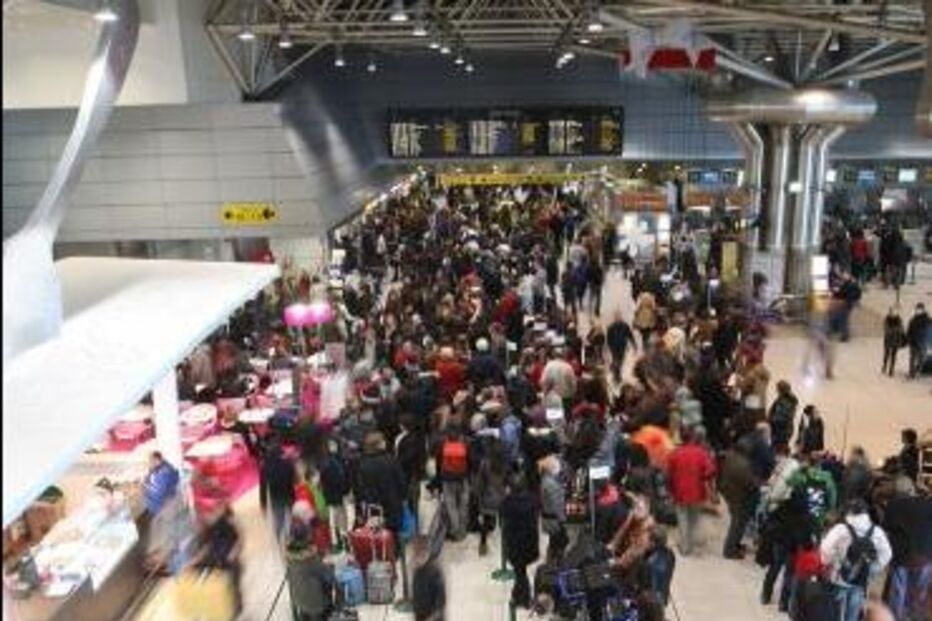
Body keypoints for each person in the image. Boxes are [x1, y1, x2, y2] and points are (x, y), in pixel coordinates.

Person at [820, 498, 892, 621]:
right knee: (854, 609)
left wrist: (829, 562)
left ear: (849, 512)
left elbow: (825, 549)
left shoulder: (840, 529)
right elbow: (887, 553)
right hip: (861, 579)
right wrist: (873, 569)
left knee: (836, 610)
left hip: (840, 576)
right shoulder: (876, 531)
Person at [881, 476, 932, 621]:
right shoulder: (927, 504)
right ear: (912, 489)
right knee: (919, 592)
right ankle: (915, 617)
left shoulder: (892, 505)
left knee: (898, 592)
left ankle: (896, 618)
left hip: (900, 556)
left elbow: (886, 530)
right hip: (924, 555)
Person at [666, 426, 717, 556]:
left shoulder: (674, 454)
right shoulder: (701, 453)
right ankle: (691, 542)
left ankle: (684, 547)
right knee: (693, 519)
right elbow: (711, 471)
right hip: (697, 492)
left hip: (679, 492)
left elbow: (668, 476)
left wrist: (670, 491)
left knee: (682, 519)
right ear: (693, 437)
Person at [191, 504, 244, 615]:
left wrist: (235, 551)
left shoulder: (229, 520)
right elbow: (206, 546)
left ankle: (236, 607)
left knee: (232, 585)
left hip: (229, 559)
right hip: (216, 558)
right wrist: (196, 560)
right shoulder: (206, 526)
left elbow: (240, 537)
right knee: (216, 585)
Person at [354, 431, 407, 536]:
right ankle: (397, 551)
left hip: (373, 507)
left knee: (377, 538)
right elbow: (401, 482)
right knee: (394, 535)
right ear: (379, 444)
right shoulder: (391, 460)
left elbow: (359, 489)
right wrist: (403, 497)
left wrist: (359, 509)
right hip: (393, 505)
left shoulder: (363, 463)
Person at [500, 474, 540, 609]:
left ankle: (525, 598)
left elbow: (502, 517)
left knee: (520, 572)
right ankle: (518, 595)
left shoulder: (507, 503)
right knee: (520, 571)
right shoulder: (533, 499)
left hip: (515, 545)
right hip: (530, 543)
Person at [719, 439, 760, 560]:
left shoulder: (730, 456)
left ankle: (734, 545)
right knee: (737, 525)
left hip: (730, 493)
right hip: (739, 498)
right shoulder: (742, 464)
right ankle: (729, 551)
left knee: (736, 523)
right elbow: (751, 483)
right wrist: (758, 482)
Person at [285, 523, 335, 621]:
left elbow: (288, 577)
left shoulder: (289, 556)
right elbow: (327, 578)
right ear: (306, 537)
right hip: (315, 603)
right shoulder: (311, 559)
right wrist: (330, 568)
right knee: (333, 582)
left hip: (298, 599)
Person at [259, 438, 296, 540]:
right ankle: (293, 537)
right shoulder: (288, 463)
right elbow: (294, 479)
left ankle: (279, 539)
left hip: (275, 497)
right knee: (293, 518)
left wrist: (263, 504)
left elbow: (263, 487)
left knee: (279, 520)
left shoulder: (265, 467)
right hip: (289, 494)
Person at [438, 426, 470, 541]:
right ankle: (463, 530)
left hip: (447, 479)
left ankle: (454, 530)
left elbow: (439, 464)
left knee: (451, 505)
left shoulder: (443, 447)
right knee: (463, 504)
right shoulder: (465, 446)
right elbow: (469, 462)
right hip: (462, 478)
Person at [539, 454, 568, 563]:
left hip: (548, 518)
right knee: (559, 543)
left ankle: (550, 562)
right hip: (554, 521)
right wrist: (564, 520)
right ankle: (555, 564)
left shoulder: (546, 479)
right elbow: (558, 505)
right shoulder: (551, 484)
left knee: (553, 542)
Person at [411, 535, 446, 621]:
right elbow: (416, 593)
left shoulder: (435, 572)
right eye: (415, 554)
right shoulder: (417, 570)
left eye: (419, 555)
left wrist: (431, 618)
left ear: (427, 553)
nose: (416, 559)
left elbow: (440, 602)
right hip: (420, 615)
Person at [768, 380, 798, 448]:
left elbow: (780, 418)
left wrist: (770, 419)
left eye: (777, 389)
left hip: (781, 432)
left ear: (781, 390)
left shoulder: (784, 402)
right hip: (783, 431)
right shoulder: (785, 400)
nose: (776, 390)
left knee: (778, 450)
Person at [606, 310, 636, 379]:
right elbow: (608, 338)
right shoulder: (611, 327)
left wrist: (634, 344)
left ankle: (615, 369)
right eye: (617, 317)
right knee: (616, 359)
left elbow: (630, 335)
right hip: (614, 347)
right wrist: (609, 346)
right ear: (615, 318)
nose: (618, 318)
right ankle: (617, 375)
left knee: (621, 359)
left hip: (622, 346)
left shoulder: (625, 326)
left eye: (619, 317)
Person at [906, 303, 929, 378]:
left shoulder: (927, 319)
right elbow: (909, 330)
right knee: (912, 358)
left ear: (923, 309)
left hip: (922, 342)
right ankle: (911, 373)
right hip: (913, 342)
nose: (918, 310)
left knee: (922, 358)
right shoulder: (913, 320)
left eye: (920, 309)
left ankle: (916, 369)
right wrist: (908, 338)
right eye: (917, 309)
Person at [882, 307, 906, 376]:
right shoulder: (887, 319)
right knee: (886, 354)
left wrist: (894, 330)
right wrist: (895, 330)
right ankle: (884, 366)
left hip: (896, 340)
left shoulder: (899, 319)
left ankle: (891, 369)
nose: (892, 313)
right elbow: (887, 330)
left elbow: (901, 329)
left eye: (893, 312)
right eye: (891, 312)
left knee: (894, 356)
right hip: (888, 340)